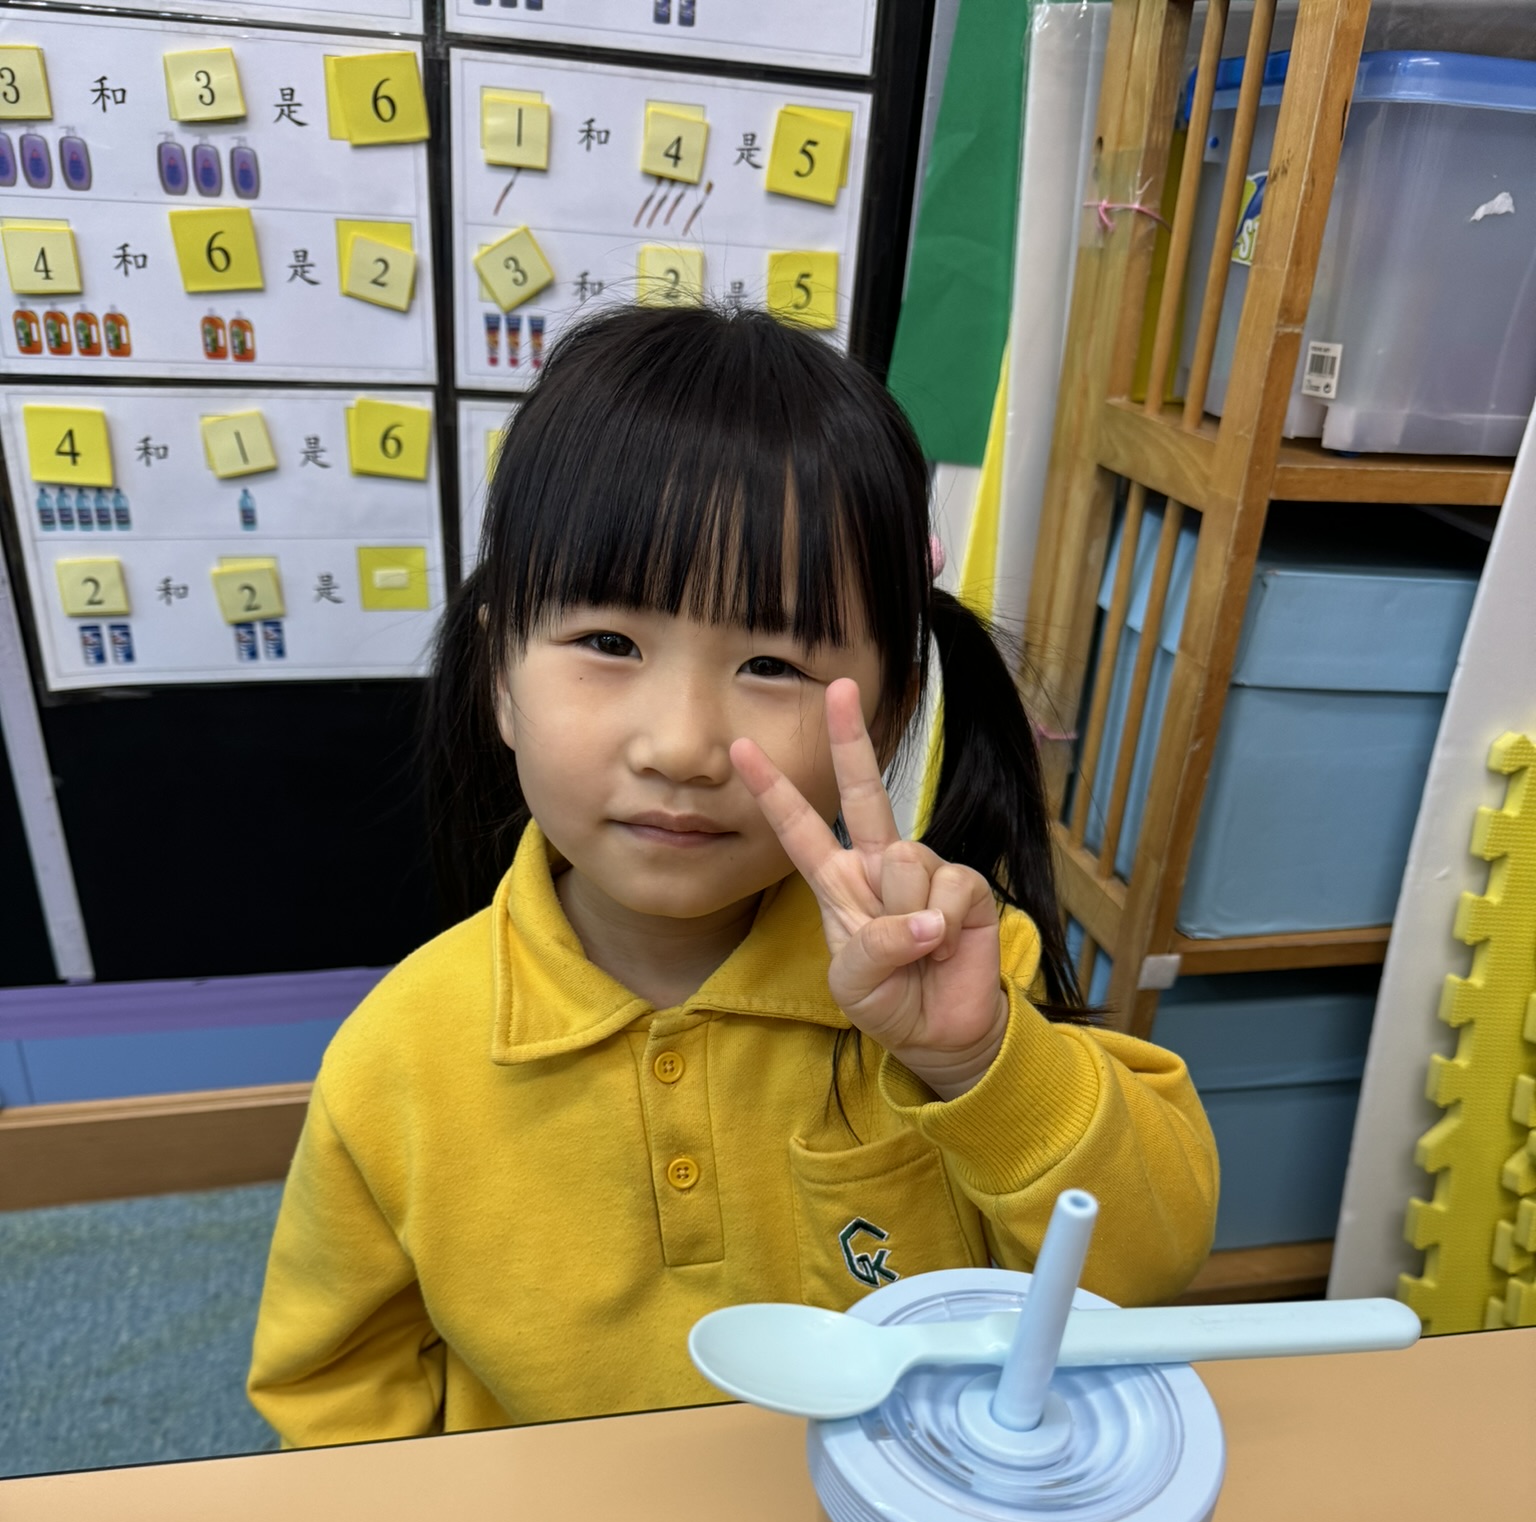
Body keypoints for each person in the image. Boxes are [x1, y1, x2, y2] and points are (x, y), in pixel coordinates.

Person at [248, 303, 1216, 1447]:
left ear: (891, 711)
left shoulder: (952, 976)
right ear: (501, 674)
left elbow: (1144, 1269)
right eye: (610, 644)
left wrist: (979, 1062)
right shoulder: (397, 1056)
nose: (682, 744)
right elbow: (332, 1392)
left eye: (771, 662)